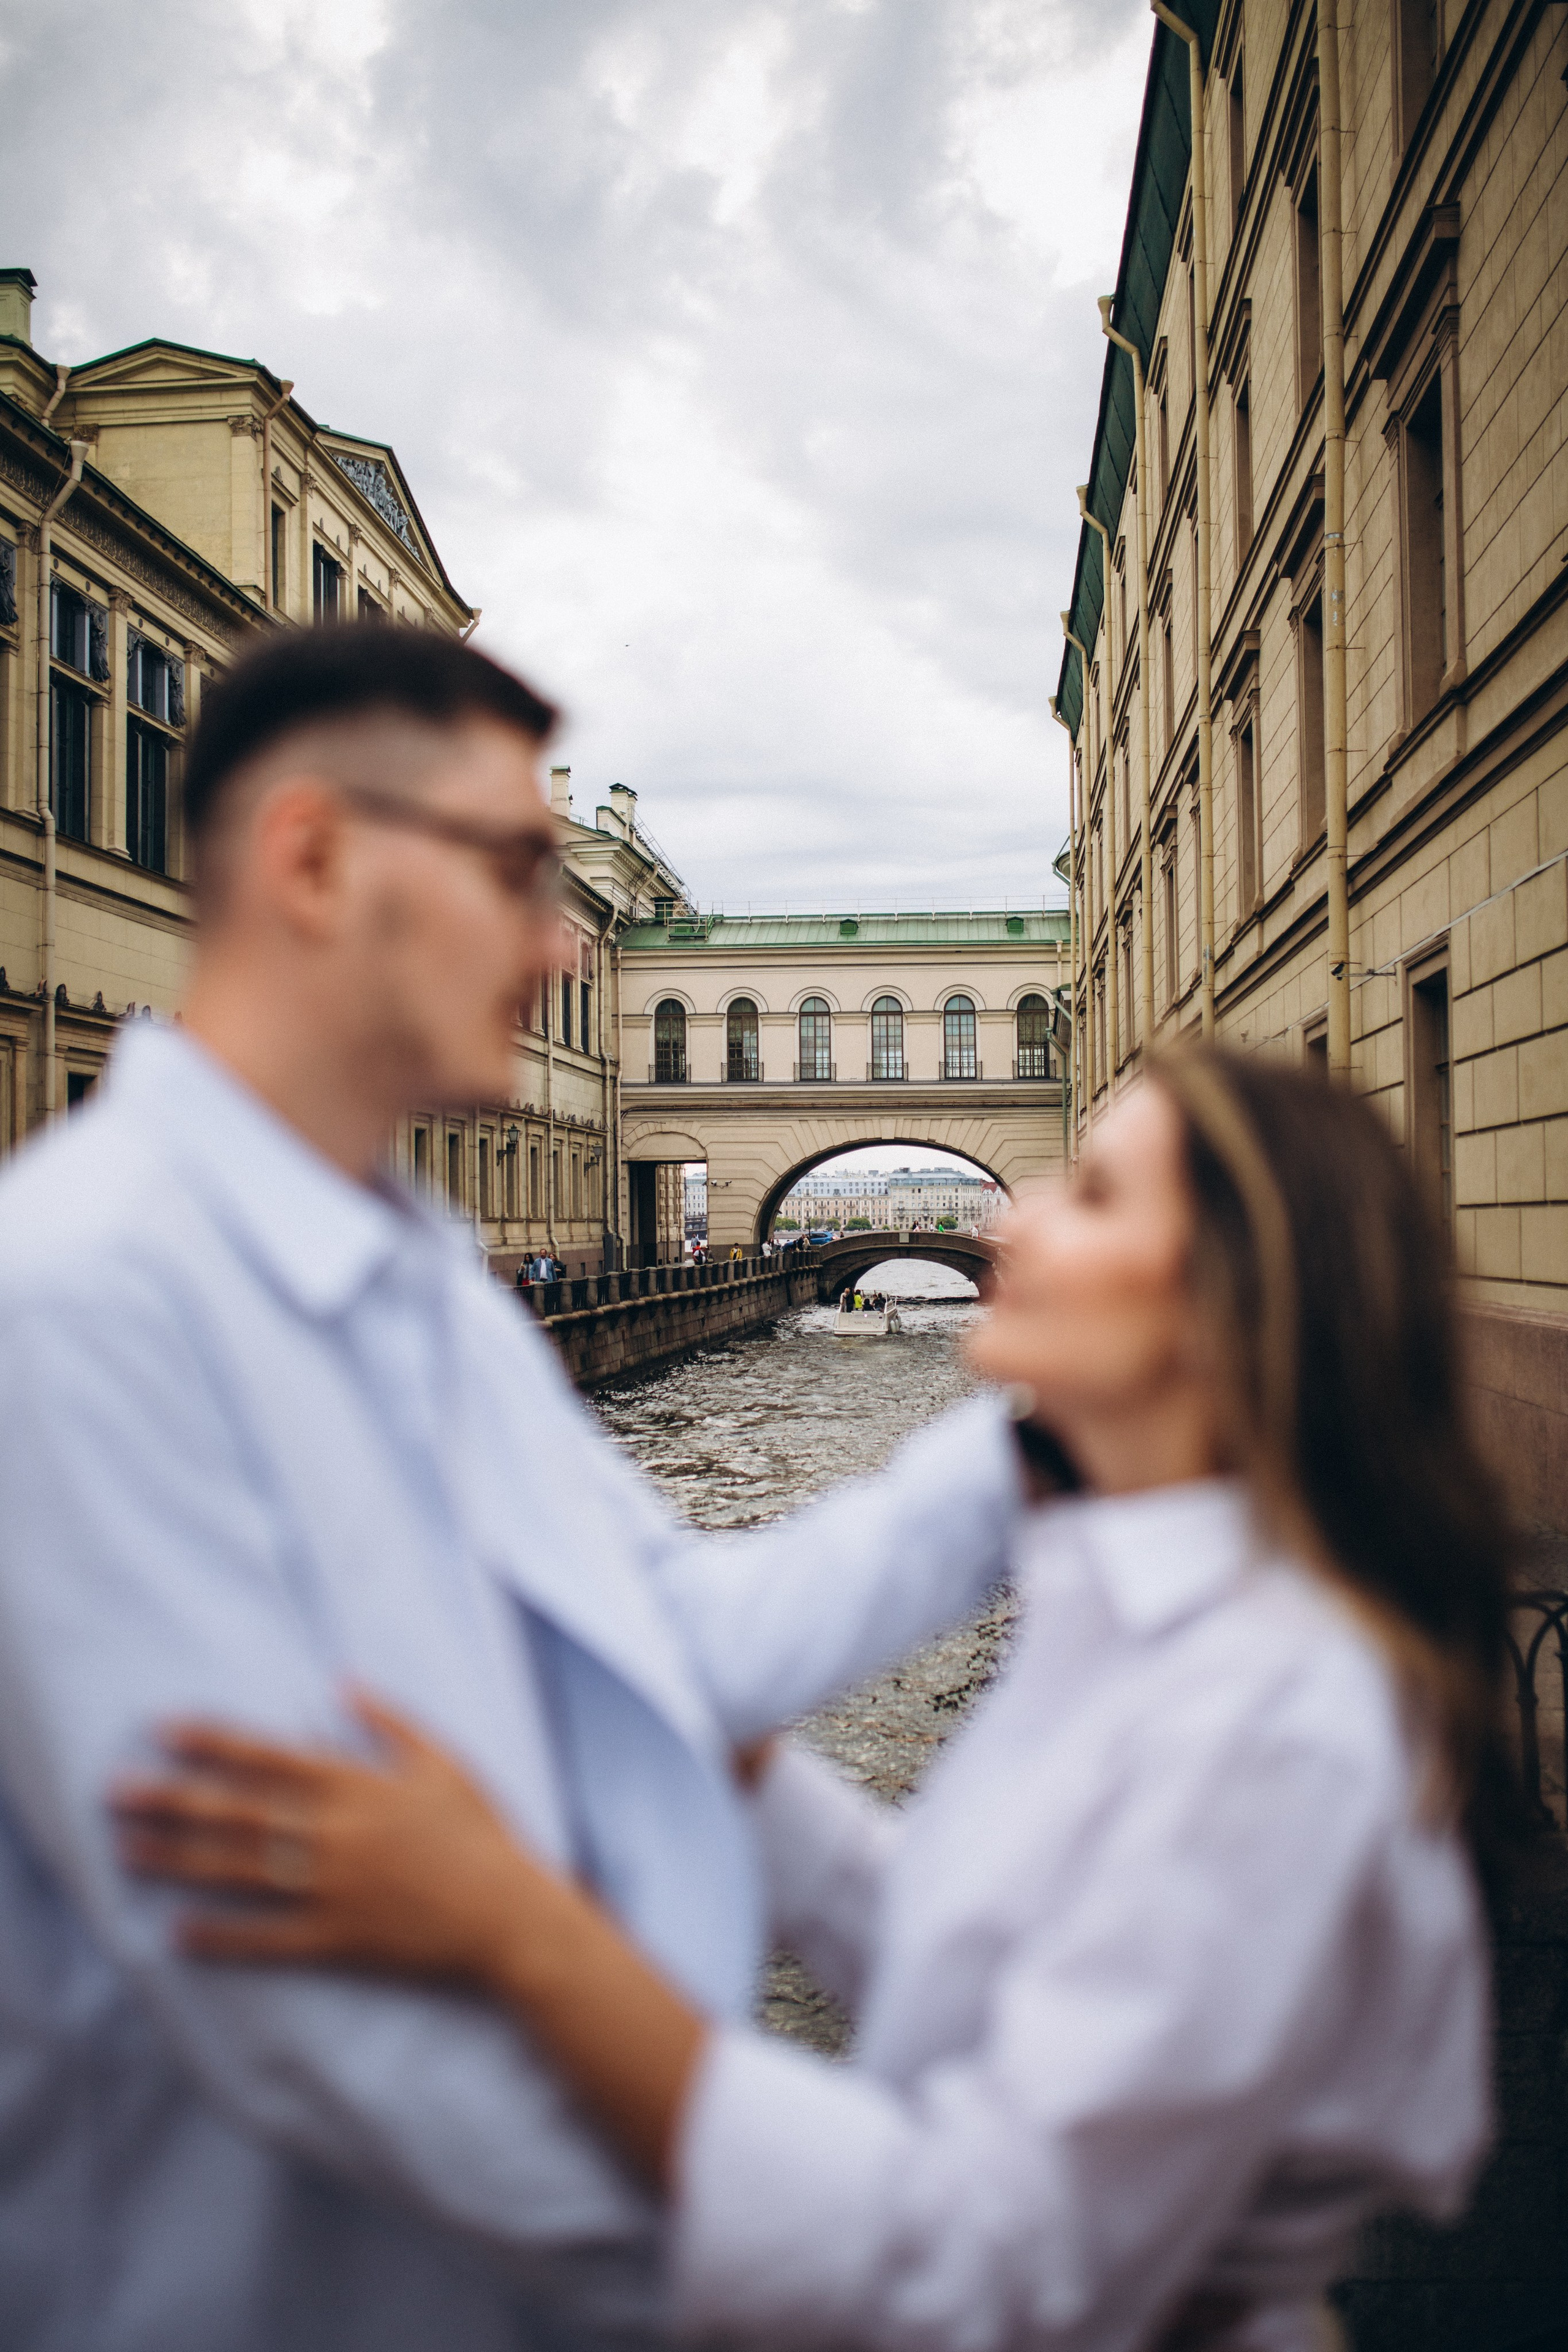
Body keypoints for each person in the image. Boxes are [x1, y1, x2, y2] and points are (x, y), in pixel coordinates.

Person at [122, 1051, 1513, 2352]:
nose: (1010, 1220)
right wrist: (727, 1766)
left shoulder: (1275, 1719)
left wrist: (516, 1934)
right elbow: (955, 1964)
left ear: (1229, 1307)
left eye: (1089, 1194)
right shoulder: (1136, 1618)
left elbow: (985, 2266)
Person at [0, 626, 1033, 2352]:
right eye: (510, 870)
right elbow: (301, 1998)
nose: (564, 947)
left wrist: (1045, 1441)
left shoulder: (421, 1285)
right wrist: (858, 2253)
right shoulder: (78, 1306)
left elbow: (678, 1639)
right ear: (314, 861)